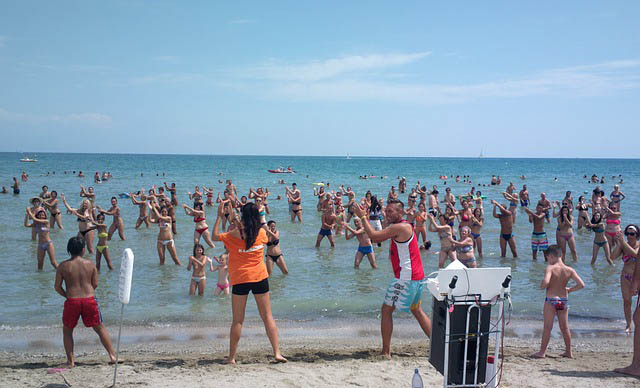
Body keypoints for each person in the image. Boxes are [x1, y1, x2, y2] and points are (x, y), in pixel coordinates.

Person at [352, 199, 431, 359]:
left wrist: (363, 218)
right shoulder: (405, 225)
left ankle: (386, 352)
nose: (386, 213)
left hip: (406, 278)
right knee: (416, 310)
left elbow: (374, 237)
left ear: (400, 213)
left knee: (386, 310)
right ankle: (439, 344)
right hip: (416, 276)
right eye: (385, 211)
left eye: (390, 211)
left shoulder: (399, 227)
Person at [211, 202, 286, 364]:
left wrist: (219, 216)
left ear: (243, 216)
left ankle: (231, 358)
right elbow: (268, 238)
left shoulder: (234, 234)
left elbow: (214, 237)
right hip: (260, 278)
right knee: (267, 317)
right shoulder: (261, 233)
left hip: (240, 280)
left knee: (237, 320)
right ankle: (277, 353)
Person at [54, 237, 117, 367]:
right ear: (83, 250)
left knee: (67, 330)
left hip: (72, 300)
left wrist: (67, 295)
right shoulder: (90, 264)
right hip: (89, 299)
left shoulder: (63, 266)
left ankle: (71, 361)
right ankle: (112, 356)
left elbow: (57, 287)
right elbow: (95, 284)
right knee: (100, 328)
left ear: (69, 250)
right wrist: (88, 293)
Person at [532, 245, 584, 359]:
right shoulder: (569, 270)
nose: (548, 260)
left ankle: (542, 352)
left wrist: (541, 286)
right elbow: (581, 284)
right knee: (564, 327)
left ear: (551, 256)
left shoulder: (550, 267)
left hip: (551, 300)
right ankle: (569, 352)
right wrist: (569, 290)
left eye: (548, 258)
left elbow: (546, 282)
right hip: (563, 300)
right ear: (561, 255)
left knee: (547, 327)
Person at [611, 226, 640, 333]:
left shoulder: (639, 245)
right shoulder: (623, 245)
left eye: (632, 234)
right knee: (627, 302)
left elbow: (636, 255)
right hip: (626, 277)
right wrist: (619, 244)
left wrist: (623, 242)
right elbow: (612, 257)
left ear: (637, 235)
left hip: (638, 278)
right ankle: (629, 324)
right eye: (627, 233)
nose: (629, 236)